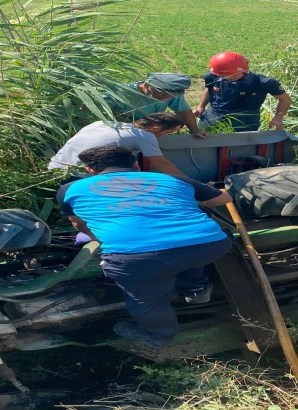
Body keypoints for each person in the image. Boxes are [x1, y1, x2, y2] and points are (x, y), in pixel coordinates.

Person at [57, 146, 233, 348]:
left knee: (148, 299)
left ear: (90, 171)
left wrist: (97, 236)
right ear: (135, 164)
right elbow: (224, 199)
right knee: (184, 252)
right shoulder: (173, 179)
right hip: (211, 244)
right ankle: (197, 289)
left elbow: (77, 223)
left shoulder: (69, 189)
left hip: (138, 258)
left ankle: (159, 336)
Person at [47, 113, 186, 176]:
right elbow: (161, 164)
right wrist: (190, 183)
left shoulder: (101, 124)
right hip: (77, 176)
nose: (165, 136)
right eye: (168, 132)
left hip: (54, 169)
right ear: (156, 128)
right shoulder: (145, 135)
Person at [194, 52, 292, 133]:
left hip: (245, 119)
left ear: (239, 71)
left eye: (224, 75)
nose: (220, 78)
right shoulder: (213, 76)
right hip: (214, 114)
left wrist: (278, 118)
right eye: (219, 74)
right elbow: (210, 89)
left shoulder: (264, 83)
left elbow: (285, 99)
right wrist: (201, 106)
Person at [106, 73, 211, 139]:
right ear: (147, 85)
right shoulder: (119, 93)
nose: (168, 96)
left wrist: (195, 130)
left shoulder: (172, 93)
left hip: (154, 131)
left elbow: (184, 111)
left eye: (172, 94)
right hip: (123, 133)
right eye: (163, 93)